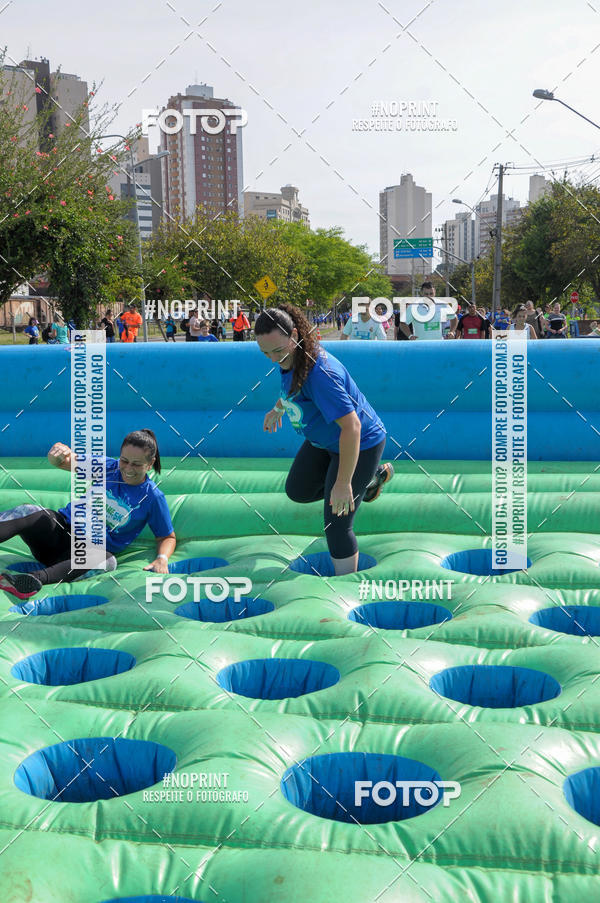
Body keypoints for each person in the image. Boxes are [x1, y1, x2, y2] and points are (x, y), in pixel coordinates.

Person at [255, 303, 393, 577]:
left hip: (359, 444)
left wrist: (342, 485)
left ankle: (346, 586)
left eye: (277, 351)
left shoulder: (321, 375)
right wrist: (278, 408)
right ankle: (367, 481)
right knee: (298, 490)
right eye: (265, 352)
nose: (273, 358)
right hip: (324, 444)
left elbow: (352, 427)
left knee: (337, 524)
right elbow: (292, 386)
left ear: (294, 335)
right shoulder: (289, 357)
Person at [0, 429, 176, 600]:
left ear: (150, 463)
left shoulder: (152, 497)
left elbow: (167, 536)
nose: (128, 468)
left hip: (81, 556)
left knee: (107, 561)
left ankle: (30, 580)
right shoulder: (109, 467)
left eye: (136, 464)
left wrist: (162, 559)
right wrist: (57, 454)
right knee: (33, 511)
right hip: (58, 535)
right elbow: (64, 461)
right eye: (124, 460)